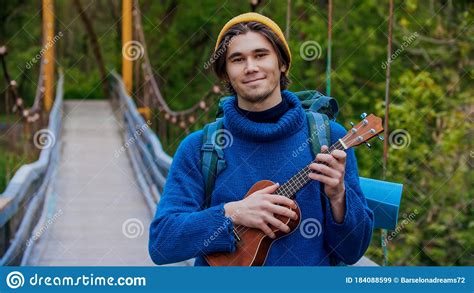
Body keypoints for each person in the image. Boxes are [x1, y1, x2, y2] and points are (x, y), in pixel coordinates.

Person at [149, 12, 374, 266]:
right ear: (225, 74)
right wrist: (232, 213)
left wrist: (339, 197)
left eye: (261, 55)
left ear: (283, 63)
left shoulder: (327, 137)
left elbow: (353, 251)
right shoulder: (201, 147)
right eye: (237, 59)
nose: (251, 67)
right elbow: (161, 244)